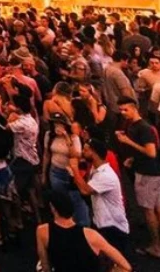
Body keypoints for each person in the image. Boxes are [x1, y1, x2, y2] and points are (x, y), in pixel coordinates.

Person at [36, 188, 133, 272]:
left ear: (53, 208)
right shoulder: (91, 235)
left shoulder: (42, 231)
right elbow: (125, 266)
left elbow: (45, 266)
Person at [71, 136, 131, 258]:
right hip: (102, 223)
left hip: (113, 227)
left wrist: (74, 169)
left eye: (86, 150)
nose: (83, 152)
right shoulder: (95, 168)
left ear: (95, 153)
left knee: (116, 262)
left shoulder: (106, 175)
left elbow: (85, 190)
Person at [115, 97, 160, 258]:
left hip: (148, 173)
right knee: (155, 208)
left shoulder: (143, 128)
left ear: (135, 108)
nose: (123, 113)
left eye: (126, 109)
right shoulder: (134, 126)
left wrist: (127, 142)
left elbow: (151, 152)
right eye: (120, 110)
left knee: (148, 210)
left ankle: (156, 246)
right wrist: (132, 158)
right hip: (147, 171)